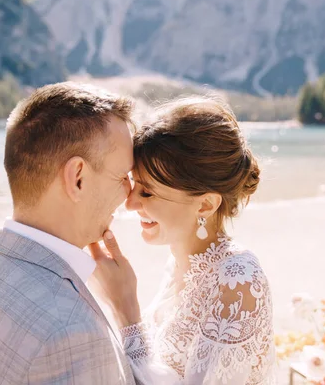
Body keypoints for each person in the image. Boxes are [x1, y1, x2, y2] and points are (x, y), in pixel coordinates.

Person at [0, 82, 146, 384]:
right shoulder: (73, 334)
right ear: (77, 178)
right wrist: (129, 314)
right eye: (123, 176)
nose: (130, 196)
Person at [89, 97, 276, 384]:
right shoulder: (178, 264)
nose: (129, 203)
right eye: (133, 184)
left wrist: (125, 309)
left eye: (147, 193)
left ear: (205, 205)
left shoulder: (238, 282)